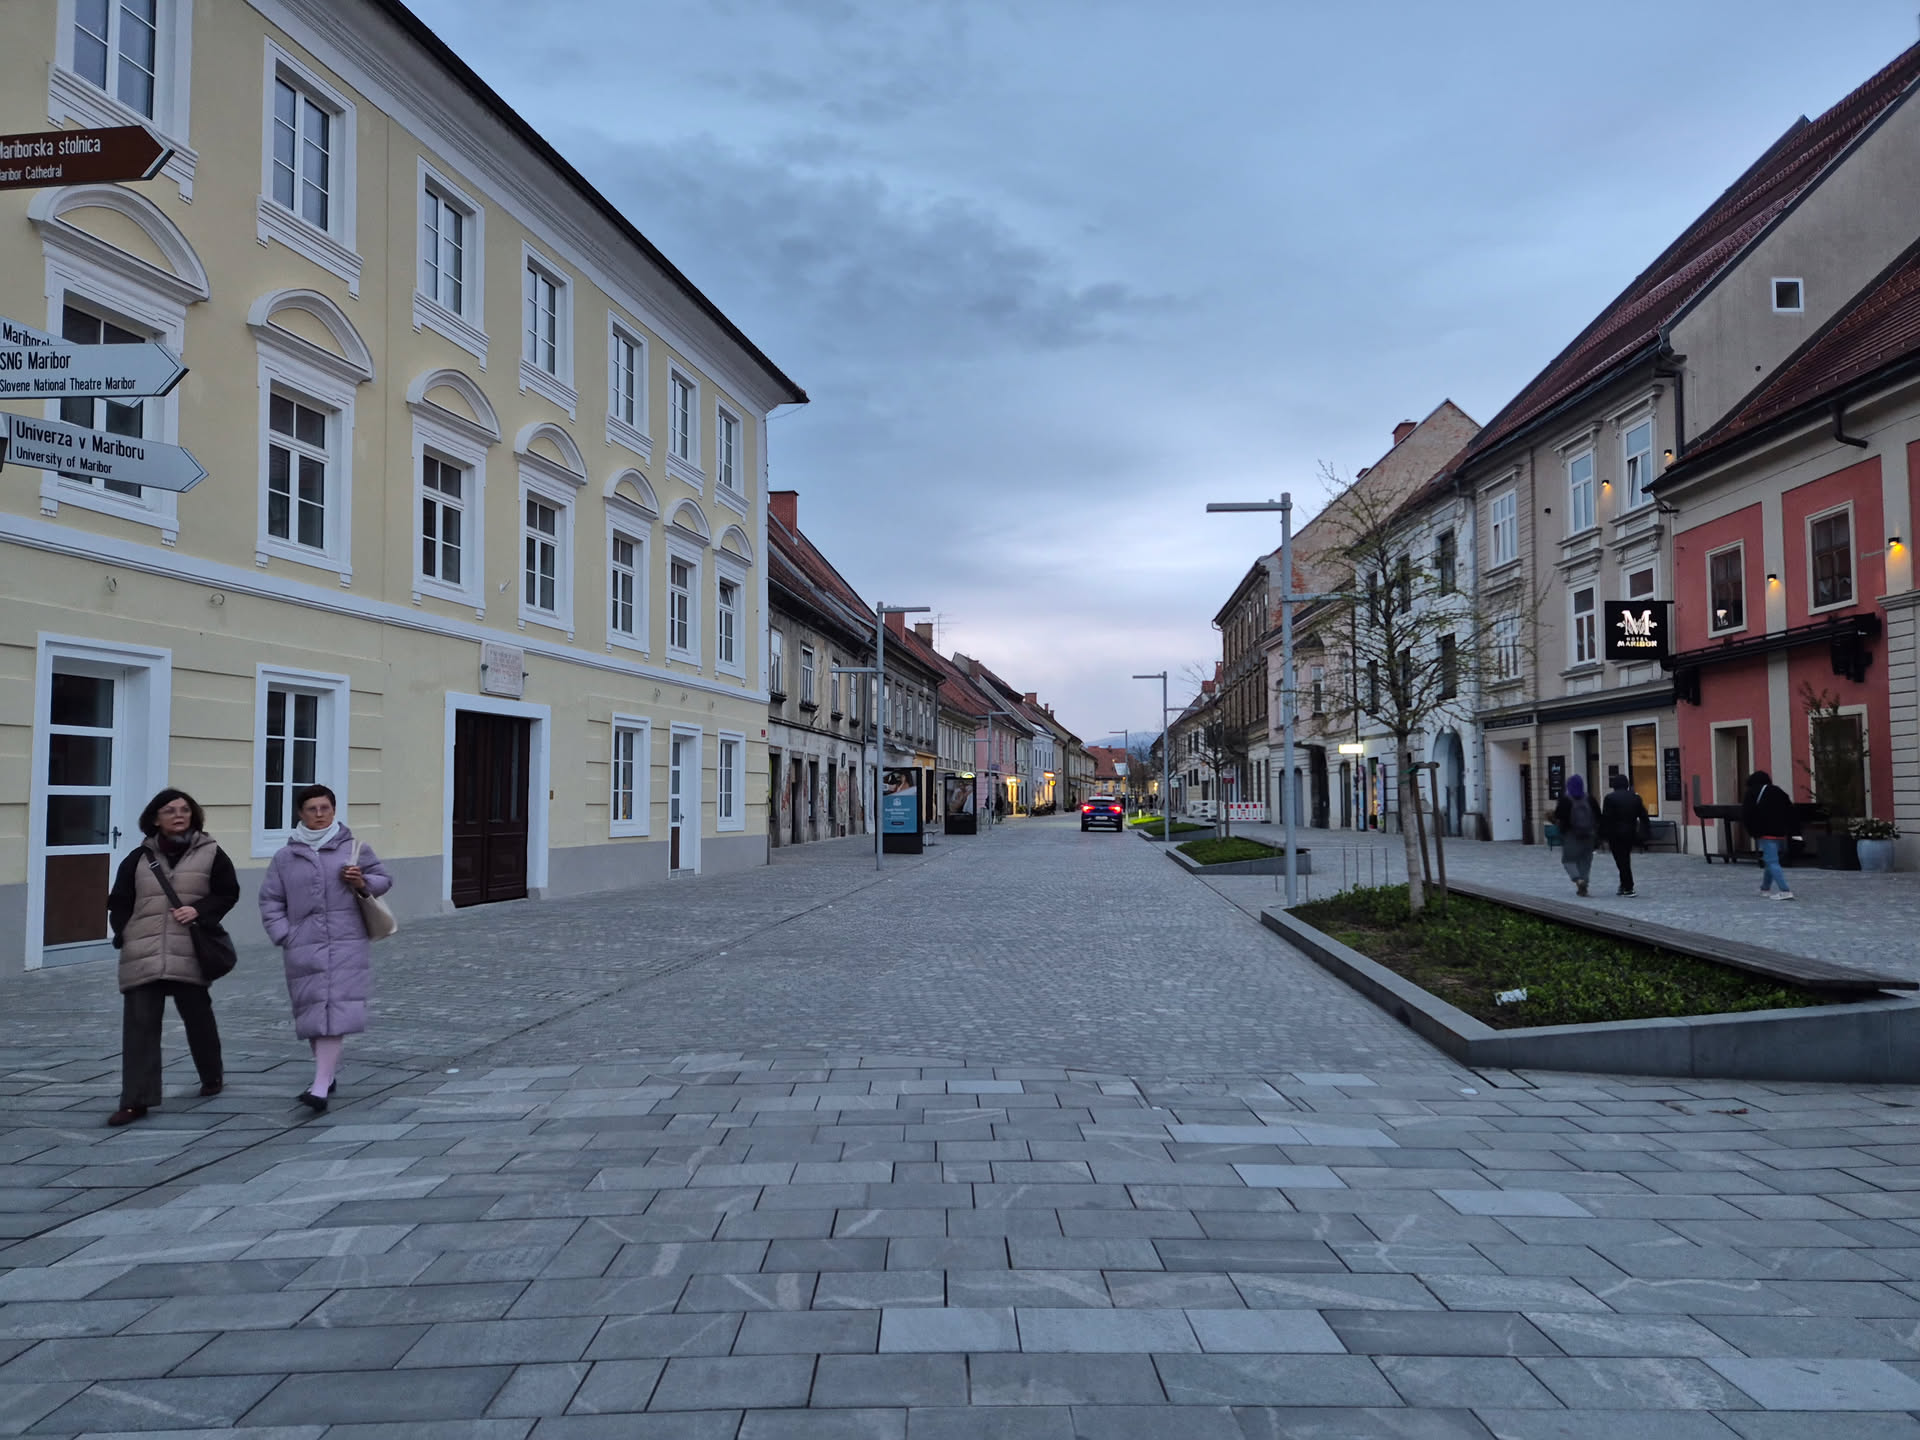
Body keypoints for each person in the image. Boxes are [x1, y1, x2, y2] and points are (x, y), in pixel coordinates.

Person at [104, 789, 239, 1127]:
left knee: (198, 1019)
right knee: (139, 1028)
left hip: (189, 948)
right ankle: (136, 1100)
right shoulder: (137, 858)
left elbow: (228, 892)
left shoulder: (211, 854)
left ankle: (212, 1075)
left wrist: (200, 910)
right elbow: (119, 901)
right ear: (155, 818)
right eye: (169, 810)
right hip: (143, 951)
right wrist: (125, 933)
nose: (179, 815)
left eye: (184, 810)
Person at [258, 784, 392, 1113]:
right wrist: (284, 934)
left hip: (347, 942)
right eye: (312, 809)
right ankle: (326, 1074)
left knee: (336, 1009)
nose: (319, 815)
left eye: (325, 808)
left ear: (334, 811)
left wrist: (361, 882)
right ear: (300, 814)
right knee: (313, 1011)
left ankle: (319, 1087)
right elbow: (270, 899)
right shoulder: (285, 857)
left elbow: (383, 879)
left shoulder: (354, 848)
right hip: (303, 944)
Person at [1742, 769, 1796, 901]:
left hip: (1764, 832)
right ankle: (1765, 888)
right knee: (1769, 860)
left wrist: (1752, 831)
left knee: (1772, 862)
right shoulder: (1778, 791)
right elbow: (1790, 810)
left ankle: (1785, 890)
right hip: (1780, 832)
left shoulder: (1752, 792)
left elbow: (1747, 814)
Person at [1600, 774, 1652, 897]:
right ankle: (1624, 885)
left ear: (1614, 785)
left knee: (1621, 860)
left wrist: (1601, 835)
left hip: (1615, 834)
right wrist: (1646, 831)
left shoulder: (1610, 798)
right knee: (1625, 858)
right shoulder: (1635, 798)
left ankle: (1628, 887)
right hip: (1630, 833)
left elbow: (1606, 818)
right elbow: (1644, 816)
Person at [1552, 773, 1598, 897]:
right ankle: (1584, 883)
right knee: (1585, 861)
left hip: (1571, 835)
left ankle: (1578, 880)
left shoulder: (1565, 800)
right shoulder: (1590, 798)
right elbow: (1598, 816)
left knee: (1568, 860)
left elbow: (1558, 815)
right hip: (1589, 835)